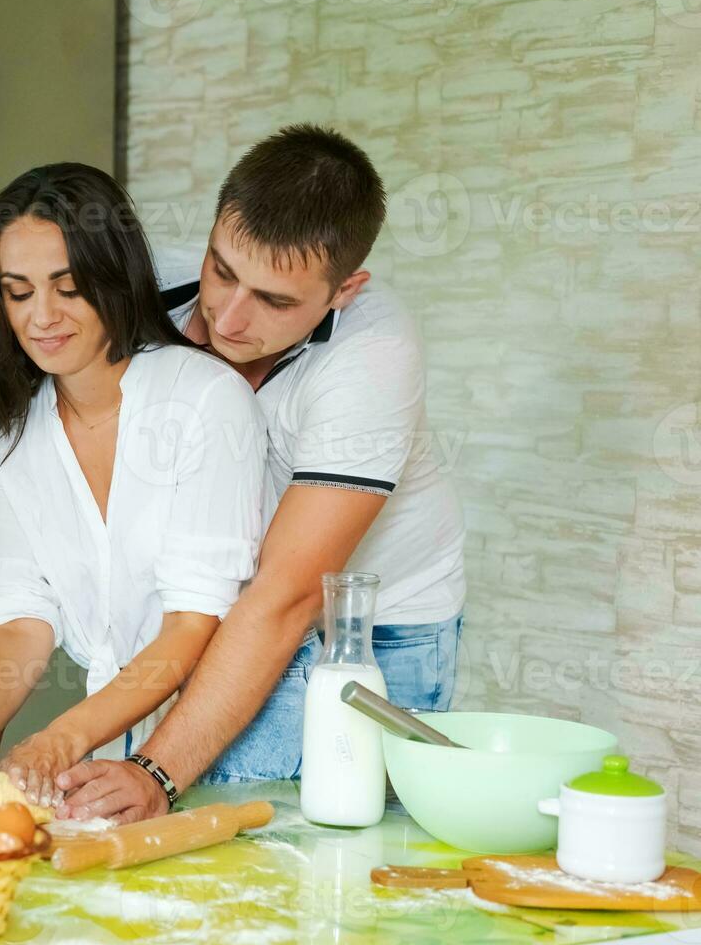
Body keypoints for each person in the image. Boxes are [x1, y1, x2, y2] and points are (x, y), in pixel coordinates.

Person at [52, 124, 467, 822]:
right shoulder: (165, 289)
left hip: (365, 634)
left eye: (275, 301)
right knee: (183, 841)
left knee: (283, 857)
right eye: (222, 271)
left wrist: (156, 770)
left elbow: (288, 596)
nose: (228, 316)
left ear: (346, 289)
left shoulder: (373, 359)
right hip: (238, 609)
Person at [0, 162, 269, 809]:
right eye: (18, 292)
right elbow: (22, 611)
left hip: (234, 746)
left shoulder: (204, 404)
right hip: (111, 761)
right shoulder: (9, 447)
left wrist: (59, 740)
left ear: (114, 276)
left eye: (68, 287)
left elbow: (194, 623)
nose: (42, 317)